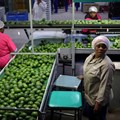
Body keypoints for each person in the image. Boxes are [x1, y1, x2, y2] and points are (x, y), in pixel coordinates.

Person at [79, 35, 115, 120]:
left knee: (98, 117)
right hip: (89, 96)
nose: (101, 48)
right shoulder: (90, 57)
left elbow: (105, 86)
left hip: (97, 100)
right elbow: (90, 71)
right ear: (94, 46)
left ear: (107, 48)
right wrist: (85, 77)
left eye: (104, 46)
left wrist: (98, 104)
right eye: (98, 46)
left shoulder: (107, 65)